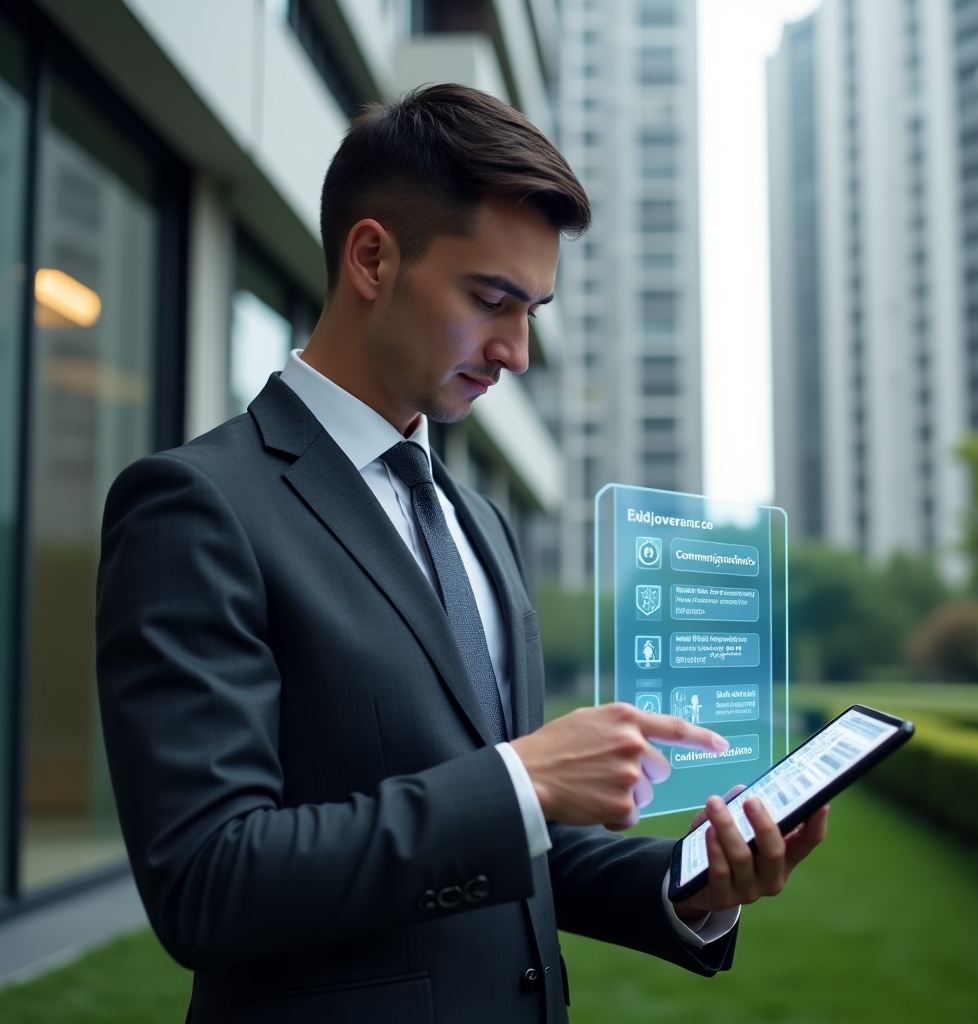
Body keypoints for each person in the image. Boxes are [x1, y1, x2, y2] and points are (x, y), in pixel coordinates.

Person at [96, 85, 828, 1024]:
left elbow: (505, 843)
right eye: (492, 300)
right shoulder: (196, 505)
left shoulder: (477, 521)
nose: (517, 351)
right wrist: (526, 776)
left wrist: (692, 885)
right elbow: (210, 879)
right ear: (372, 258)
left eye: (535, 310)